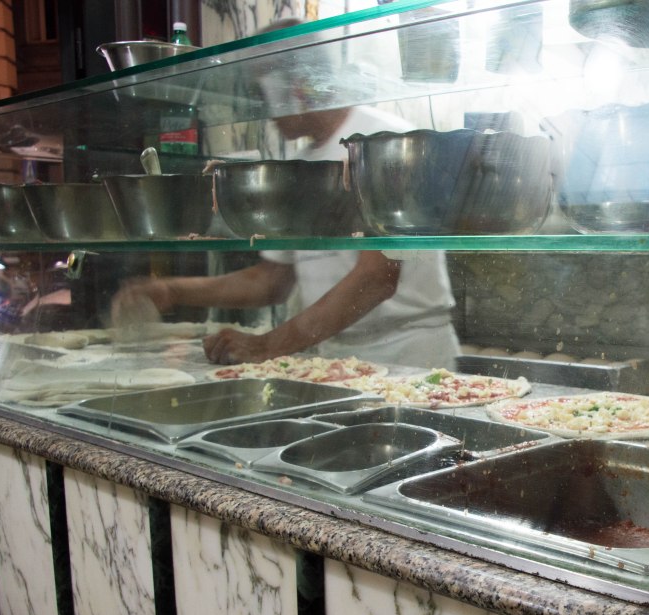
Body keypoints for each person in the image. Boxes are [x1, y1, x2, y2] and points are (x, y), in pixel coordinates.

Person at [112, 20, 459, 370]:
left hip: (408, 355)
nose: (264, 113)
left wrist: (269, 345)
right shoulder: (301, 167)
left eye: (263, 94)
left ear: (301, 83)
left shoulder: (386, 144)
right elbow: (271, 280)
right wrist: (171, 291)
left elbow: (376, 278)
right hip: (333, 356)